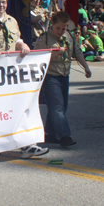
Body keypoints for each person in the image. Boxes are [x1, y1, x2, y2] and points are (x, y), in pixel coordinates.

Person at [0, 0, 48, 159]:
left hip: (12, 75)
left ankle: (27, 145)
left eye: (3, 2)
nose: (1, 5)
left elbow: (15, 39)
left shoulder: (12, 21)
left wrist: (22, 44)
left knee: (19, 107)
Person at [34, 12, 92, 147]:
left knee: (61, 106)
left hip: (64, 76)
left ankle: (49, 133)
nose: (60, 31)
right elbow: (38, 58)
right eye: (58, 28)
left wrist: (86, 67)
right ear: (52, 25)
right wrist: (54, 54)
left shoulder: (69, 37)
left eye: (64, 28)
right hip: (51, 76)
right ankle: (65, 136)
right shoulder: (45, 39)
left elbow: (77, 52)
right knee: (57, 107)